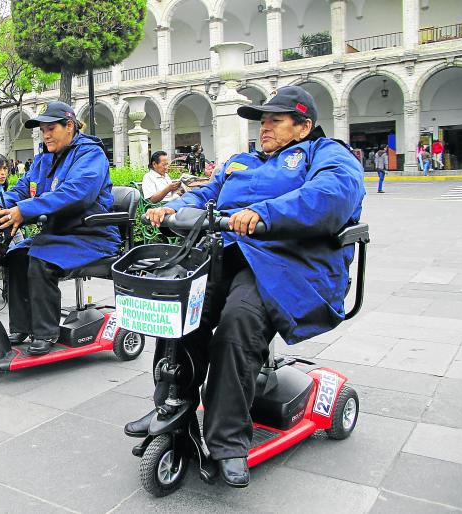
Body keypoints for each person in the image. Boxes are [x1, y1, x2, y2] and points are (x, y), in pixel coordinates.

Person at [125, 85, 365, 488]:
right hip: (228, 256)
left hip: (286, 265)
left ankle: (228, 440)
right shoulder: (240, 162)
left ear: (304, 126)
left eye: (274, 120)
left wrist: (262, 213)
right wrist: (174, 209)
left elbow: (331, 197)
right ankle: (175, 401)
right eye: (262, 120)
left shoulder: (327, 155)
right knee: (180, 307)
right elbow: (207, 194)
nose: (264, 127)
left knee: (238, 323)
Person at [0, 101, 120, 356]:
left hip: (92, 235)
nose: (45, 135)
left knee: (39, 261)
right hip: (58, 234)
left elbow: (77, 193)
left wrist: (24, 210)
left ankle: (46, 332)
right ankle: (23, 326)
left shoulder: (90, 154)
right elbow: (24, 188)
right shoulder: (44, 158)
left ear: (69, 126)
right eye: (43, 130)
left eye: (51, 129)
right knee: (16, 257)